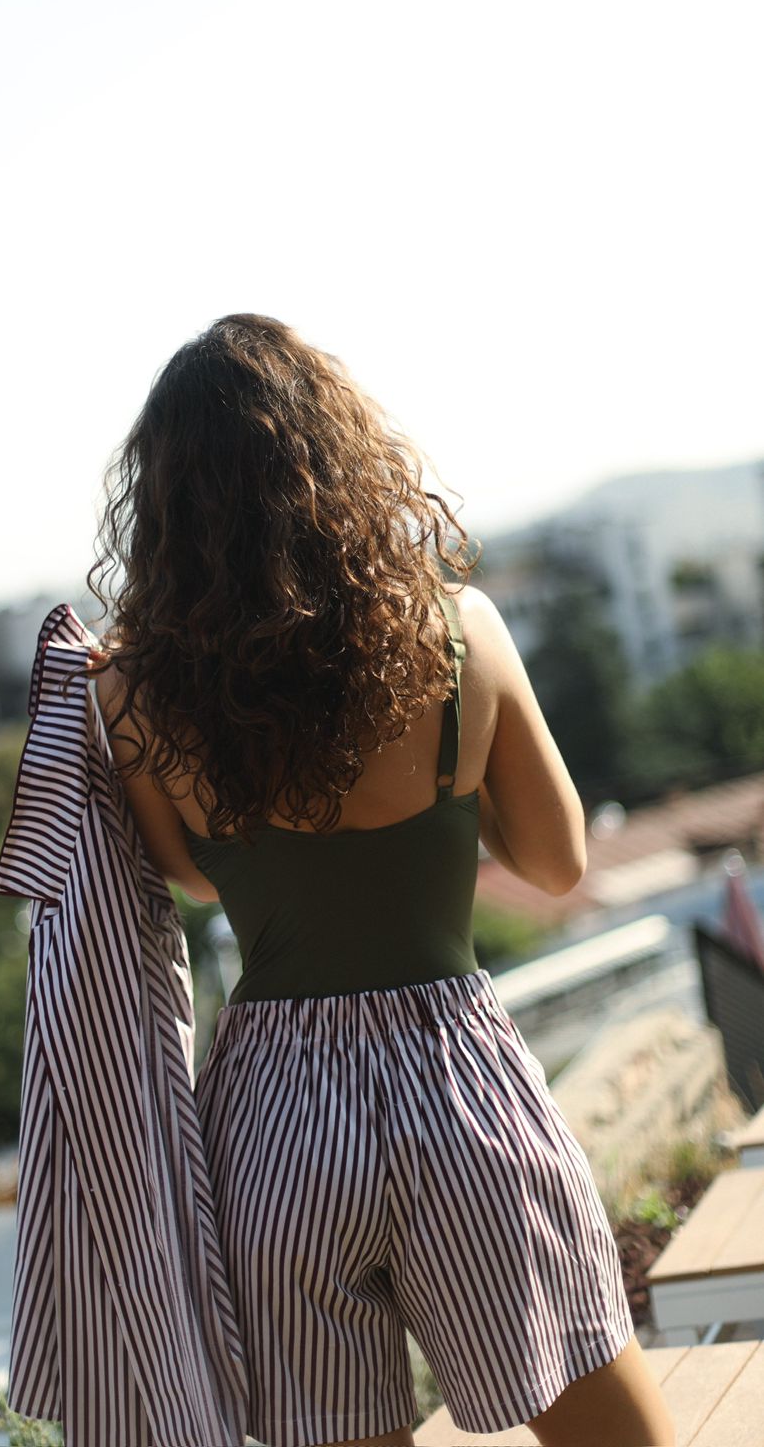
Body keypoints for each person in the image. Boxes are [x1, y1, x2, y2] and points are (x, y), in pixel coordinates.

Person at [86, 313, 676, 1447]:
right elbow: (555, 864)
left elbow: (196, 885)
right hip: (460, 1097)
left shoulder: (133, 699)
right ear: (337, 457)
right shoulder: (460, 632)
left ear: (164, 507)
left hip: (272, 1130)